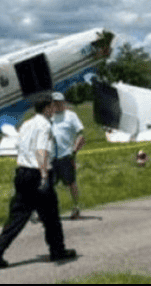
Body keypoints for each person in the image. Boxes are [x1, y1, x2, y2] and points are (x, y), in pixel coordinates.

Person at [0, 94, 76, 268]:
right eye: (52, 106)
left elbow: (19, 147)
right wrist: (43, 174)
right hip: (37, 173)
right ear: (47, 108)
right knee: (51, 217)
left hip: (22, 172)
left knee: (18, 215)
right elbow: (41, 149)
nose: (54, 109)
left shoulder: (26, 124)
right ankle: (57, 251)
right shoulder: (44, 125)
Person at [51, 92, 85, 220]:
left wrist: (74, 151)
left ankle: (76, 207)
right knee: (48, 184)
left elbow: (81, 135)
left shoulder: (71, 116)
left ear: (63, 103)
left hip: (66, 155)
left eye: (59, 102)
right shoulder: (49, 117)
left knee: (71, 183)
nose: (57, 105)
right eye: (54, 103)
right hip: (52, 156)